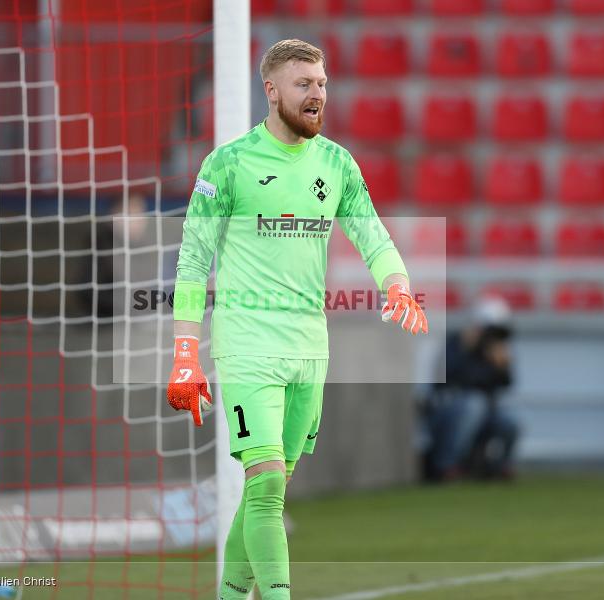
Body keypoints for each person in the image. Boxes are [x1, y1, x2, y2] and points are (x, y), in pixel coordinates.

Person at [165, 39, 428, 599]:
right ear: (272, 90)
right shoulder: (228, 164)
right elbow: (192, 260)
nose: (317, 95)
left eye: (323, 84)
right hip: (247, 345)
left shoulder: (335, 163)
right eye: (304, 84)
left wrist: (397, 282)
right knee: (263, 490)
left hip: (309, 348)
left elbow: (371, 232)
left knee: (270, 493)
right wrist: (185, 353)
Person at [420, 294, 519, 482]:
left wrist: (502, 367)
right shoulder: (458, 343)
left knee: (510, 423)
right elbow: (443, 378)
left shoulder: (497, 350)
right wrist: (467, 351)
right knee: (474, 404)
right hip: (447, 412)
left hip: (483, 414)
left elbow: (506, 383)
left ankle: (498, 466)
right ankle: (445, 466)